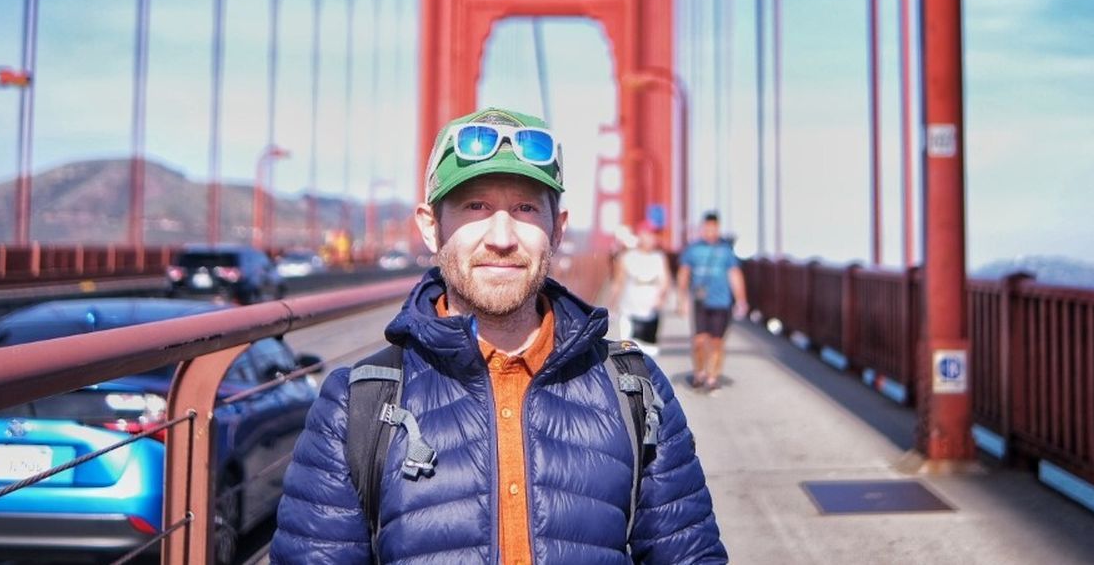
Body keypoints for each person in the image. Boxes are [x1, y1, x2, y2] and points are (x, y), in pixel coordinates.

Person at [273, 106, 727, 564]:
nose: (502, 237)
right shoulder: (356, 406)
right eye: (476, 207)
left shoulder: (636, 391)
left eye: (525, 208)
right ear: (430, 227)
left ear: (557, 230)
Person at [676, 211, 747, 392]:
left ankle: (712, 377)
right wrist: (681, 299)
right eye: (707, 229)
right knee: (699, 341)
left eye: (713, 229)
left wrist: (741, 300)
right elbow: (683, 273)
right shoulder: (693, 249)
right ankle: (699, 372)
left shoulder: (726, 251)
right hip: (700, 301)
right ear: (702, 229)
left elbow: (735, 275)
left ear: (718, 229)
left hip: (722, 302)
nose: (710, 232)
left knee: (717, 342)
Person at [608, 220, 671, 356]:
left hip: (651, 312)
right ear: (640, 236)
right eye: (648, 234)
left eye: (654, 235)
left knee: (649, 353)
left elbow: (665, 282)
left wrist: (661, 298)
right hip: (629, 311)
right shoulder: (626, 257)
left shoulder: (659, 258)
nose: (652, 238)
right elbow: (618, 283)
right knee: (628, 351)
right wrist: (611, 307)